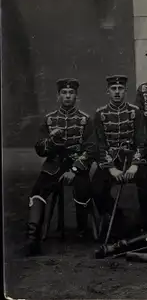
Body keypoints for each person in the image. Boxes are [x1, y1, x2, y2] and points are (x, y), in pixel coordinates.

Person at [26, 78, 95, 256]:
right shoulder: (49, 119)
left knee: (83, 189)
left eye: (71, 93)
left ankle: (82, 229)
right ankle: (33, 236)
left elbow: (91, 149)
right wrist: (50, 139)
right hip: (54, 164)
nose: (67, 96)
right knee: (37, 191)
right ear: (58, 96)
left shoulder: (85, 119)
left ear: (76, 96)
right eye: (64, 93)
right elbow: (40, 150)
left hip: (76, 163)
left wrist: (75, 169)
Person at [91, 75, 147, 234]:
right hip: (111, 161)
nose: (117, 92)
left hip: (133, 160)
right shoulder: (100, 114)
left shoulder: (135, 112)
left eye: (120, 89)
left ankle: (144, 223)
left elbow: (142, 141)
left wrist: (134, 165)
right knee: (96, 187)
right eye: (114, 89)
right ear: (108, 91)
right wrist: (111, 168)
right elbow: (99, 144)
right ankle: (118, 218)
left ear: (125, 91)